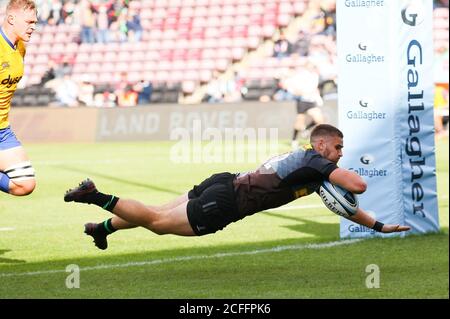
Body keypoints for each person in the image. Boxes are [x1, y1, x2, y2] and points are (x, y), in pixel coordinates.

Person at [64, 124, 410, 250]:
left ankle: (103, 228)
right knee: (156, 223)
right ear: (321, 145)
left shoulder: (308, 163)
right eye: (337, 147)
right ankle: (95, 196)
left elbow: (346, 205)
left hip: (222, 182)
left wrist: (378, 226)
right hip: (226, 203)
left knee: (159, 212)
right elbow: (358, 186)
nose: (340, 154)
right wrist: (339, 169)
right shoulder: (317, 163)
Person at [0, 0, 37, 196]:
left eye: (35, 23)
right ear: (11, 18)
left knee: (25, 184)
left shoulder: (20, 47)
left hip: (2, 129)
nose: (33, 27)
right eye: (29, 22)